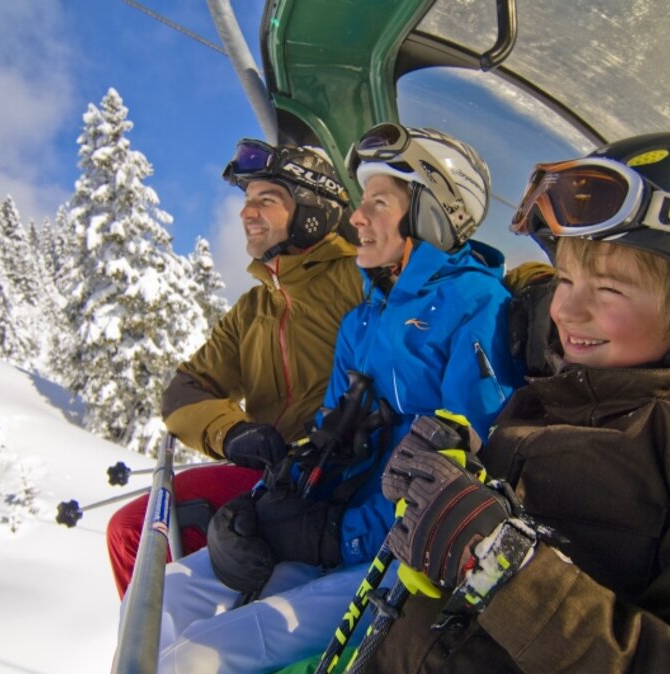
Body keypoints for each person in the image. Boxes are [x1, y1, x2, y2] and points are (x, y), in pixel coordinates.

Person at [362, 131, 670, 673]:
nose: (566, 311)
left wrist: (499, 567)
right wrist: (464, 474)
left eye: (608, 290)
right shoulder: (567, 394)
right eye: (564, 279)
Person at [158, 124, 521, 673]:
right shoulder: (364, 317)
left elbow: (457, 471)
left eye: (377, 202)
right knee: (171, 593)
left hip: (394, 555)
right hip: (345, 530)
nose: (357, 218)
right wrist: (265, 506)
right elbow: (327, 439)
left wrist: (337, 539)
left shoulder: (478, 306)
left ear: (427, 215)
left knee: (197, 657)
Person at [105, 139, 364, 598]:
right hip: (268, 473)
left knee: (135, 531)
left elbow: (447, 286)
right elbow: (185, 390)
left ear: (312, 210)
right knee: (134, 533)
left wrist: (535, 287)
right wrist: (232, 432)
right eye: (247, 201)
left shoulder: (359, 275)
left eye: (267, 200)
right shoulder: (254, 307)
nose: (248, 213)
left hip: (333, 475)